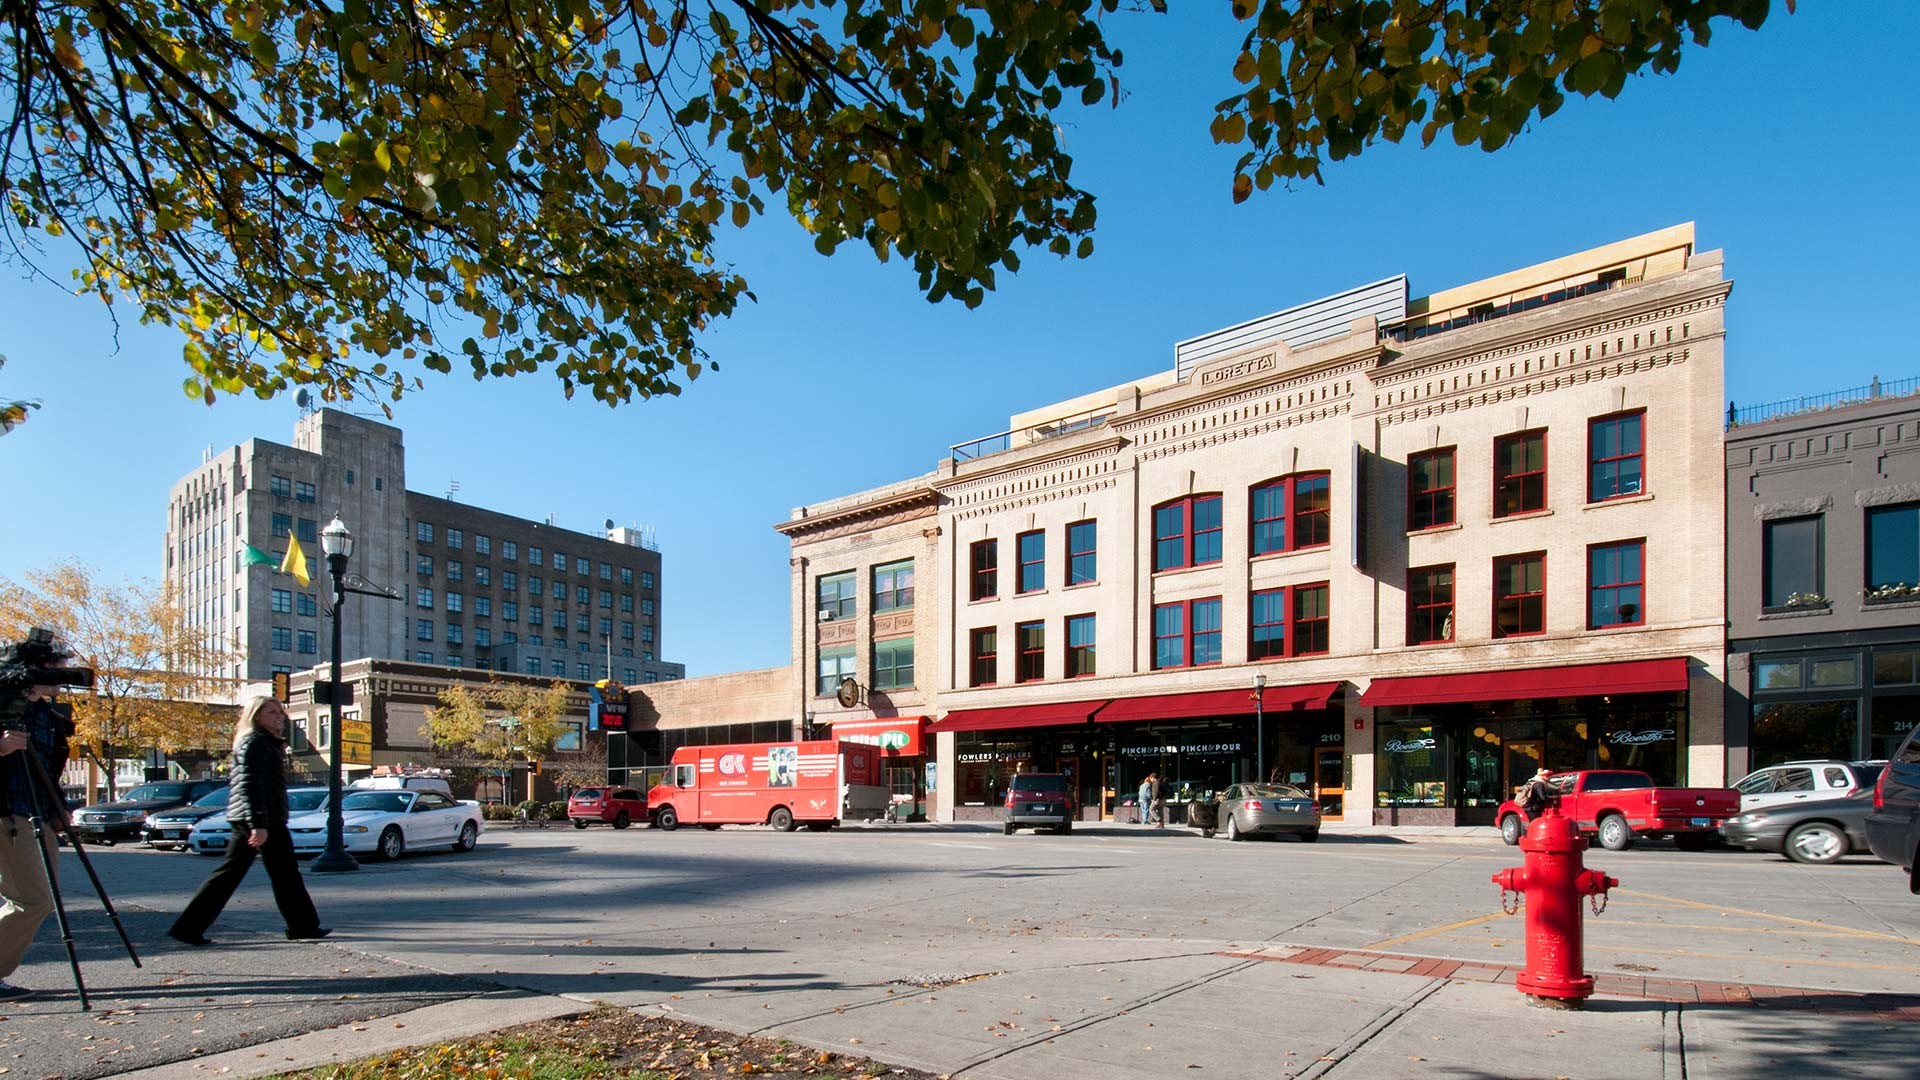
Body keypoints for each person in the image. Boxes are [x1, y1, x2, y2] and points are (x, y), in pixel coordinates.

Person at [169, 697, 327, 946]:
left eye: (280, 712)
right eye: (272, 712)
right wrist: (258, 824)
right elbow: (250, 786)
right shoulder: (255, 743)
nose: (279, 716)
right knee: (257, 874)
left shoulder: (264, 743)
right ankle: (188, 928)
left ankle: (303, 925)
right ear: (256, 716)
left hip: (261, 817)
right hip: (259, 819)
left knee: (278, 874)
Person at [0, 683, 72, 1001]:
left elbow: (47, 770)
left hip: (38, 815)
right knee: (33, 900)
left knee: (39, 899)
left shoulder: (47, 715)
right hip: (9, 813)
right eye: (57, 665)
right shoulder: (5, 703)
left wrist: (59, 807)